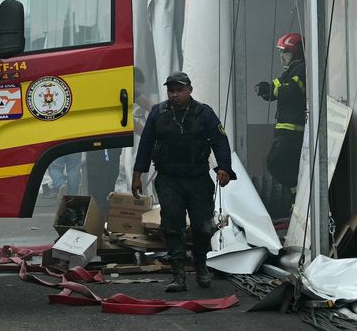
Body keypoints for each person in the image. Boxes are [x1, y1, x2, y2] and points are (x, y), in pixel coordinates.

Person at [131, 71, 234, 293]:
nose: (175, 94)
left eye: (179, 90)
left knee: (203, 226)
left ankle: (201, 266)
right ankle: (178, 275)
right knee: (172, 226)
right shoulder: (158, 113)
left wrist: (224, 168)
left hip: (198, 178)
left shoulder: (204, 113)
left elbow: (220, 141)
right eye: (171, 90)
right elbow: (146, 144)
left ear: (190, 89)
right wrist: (138, 174)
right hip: (169, 179)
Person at [254, 32, 307, 202]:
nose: (282, 56)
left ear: (297, 52)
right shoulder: (290, 70)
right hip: (285, 131)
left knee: (274, 162)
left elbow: (291, 90)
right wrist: (265, 89)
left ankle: (296, 193)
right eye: (281, 52)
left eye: (286, 52)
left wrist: (273, 90)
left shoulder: (301, 69)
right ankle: (296, 200)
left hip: (292, 132)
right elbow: (276, 87)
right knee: (287, 167)